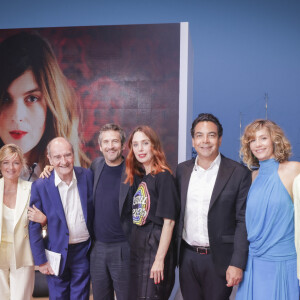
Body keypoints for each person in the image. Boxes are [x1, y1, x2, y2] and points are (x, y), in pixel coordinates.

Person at [176, 113, 251, 300]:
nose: (205, 141)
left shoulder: (238, 173)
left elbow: (243, 220)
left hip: (220, 259)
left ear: (220, 139)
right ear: (193, 141)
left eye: (211, 135)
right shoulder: (182, 171)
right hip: (187, 257)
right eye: (199, 135)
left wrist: (237, 263)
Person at [0, 32, 90, 181]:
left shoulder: (84, 175)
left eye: (32, 98)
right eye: (5, 98)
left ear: (51, 103)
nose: (17, 116)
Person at [236, 119, 300, 300]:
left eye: (263, 138)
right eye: (252, 140)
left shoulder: (294, 169)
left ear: (275, 140)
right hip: (253, 263)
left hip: (283, 262)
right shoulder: (252, 176)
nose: (258, 144)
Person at [28, 137, 94, 300]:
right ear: (49, 159)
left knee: (81, 295)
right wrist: (41, 261)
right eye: (57, 157)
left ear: (73, 154)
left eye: (67, 155)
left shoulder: (87, 176)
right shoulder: (41, 185)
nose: (63, 161)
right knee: (58, 296)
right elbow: (33, 227)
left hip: (83, 251)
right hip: (55, 252)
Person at [125, 125, 179, 300]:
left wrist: (159, 259)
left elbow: (169, 222)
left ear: (154, 146)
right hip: (138, 248)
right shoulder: (142, 177)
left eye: (145, 143)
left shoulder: (163, 177)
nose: (140, 149)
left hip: (154, 248)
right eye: (135, 144)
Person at [90, 123, 131, 300]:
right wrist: (50, 169)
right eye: (106, 142)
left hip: (123, 248)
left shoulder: (133, 171)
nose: (110, 146)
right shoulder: (95, 166)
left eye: (115, 141)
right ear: (100, 146)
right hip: (98, 248)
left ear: (123, 145)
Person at [0, 143, 46, 300]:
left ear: (22, 165)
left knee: (21, 298)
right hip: (0, 253)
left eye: (16, 162)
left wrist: (44, 220)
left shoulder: (32, 189)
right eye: (6, 162)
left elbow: (47, 218)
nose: (11, 167)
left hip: (23, 252)